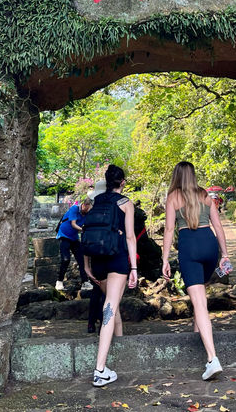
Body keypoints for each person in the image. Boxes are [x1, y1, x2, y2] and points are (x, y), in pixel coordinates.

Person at [162, 161, 231, 381]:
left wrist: (165, 259)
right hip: (209, 244)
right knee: (199, 297)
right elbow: (218, 226)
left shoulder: (173, 197)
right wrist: (225, 254)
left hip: (189, 245)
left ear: (177, 176)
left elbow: (170, 229)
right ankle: (197, 337)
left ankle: (212, 359)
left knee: (199, 302)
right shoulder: (205, 195)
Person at [84, 165, 137, 387]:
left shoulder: (96, 202)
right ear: (122, 182)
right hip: (116, 259)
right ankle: (100, 369)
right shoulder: (125, 203)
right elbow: (131, 237)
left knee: (110, 304)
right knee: (110, 307)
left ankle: (120, 343)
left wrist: (86, 266)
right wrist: (134, 268)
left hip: (97, 260)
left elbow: (88, 231)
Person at [55, 197, 93, 292]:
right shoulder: (74, 209)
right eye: (87, 209)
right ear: (84, 205)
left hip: (74, 238)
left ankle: (85, 282)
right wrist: (84, 230)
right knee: (66, 259)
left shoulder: (88, 213)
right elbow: (73, 224)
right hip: (64, 235)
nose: (87, 211)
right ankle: (59, 281)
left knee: (81, 259)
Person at [86, 179, 107, 334]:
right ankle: (103, 323)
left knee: (97, 290)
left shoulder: (91, 213)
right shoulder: (112, 210)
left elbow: (85, 238)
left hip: (95, 256)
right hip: (109, 255)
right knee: (108, 292)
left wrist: (86, 265)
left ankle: (91, 323)